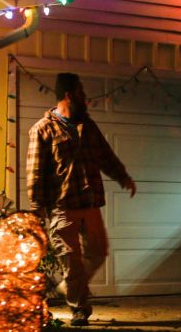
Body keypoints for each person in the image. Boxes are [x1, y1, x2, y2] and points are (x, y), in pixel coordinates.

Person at [27, 72, 137, 327]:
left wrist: (123, 177)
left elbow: (105, 155)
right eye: (81, 93)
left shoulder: (87, 125)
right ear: (69, 95)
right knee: (72, 259)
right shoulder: (42, 129)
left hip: (90, 201)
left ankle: (69, 286)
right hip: (62, 206)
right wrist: (37, 207)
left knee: (98, 252)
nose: (86, 99)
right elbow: (35, 171)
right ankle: (79, 308)